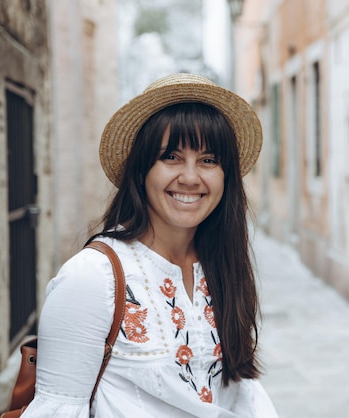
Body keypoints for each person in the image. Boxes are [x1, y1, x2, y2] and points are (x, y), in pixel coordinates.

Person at [21, 73, 278, 417]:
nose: (190, 177)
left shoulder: (222, 267)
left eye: (208, 160)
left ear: (226, 176)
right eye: (171, 157)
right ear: (141, 169)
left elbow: (240, 395)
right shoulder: (92, 277)